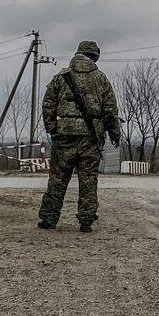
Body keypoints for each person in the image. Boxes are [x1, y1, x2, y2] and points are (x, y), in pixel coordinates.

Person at [37, 40, 121, 233]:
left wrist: (52, 127)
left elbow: (48, 103)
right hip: (91, 136)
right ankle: (86, 220)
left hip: (64, 134)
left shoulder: (61, 76)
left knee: (58, 178)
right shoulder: (101, 78)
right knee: (88, 179)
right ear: (94, 57)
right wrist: (114, 133)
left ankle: (48, 219)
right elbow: (110, 110)